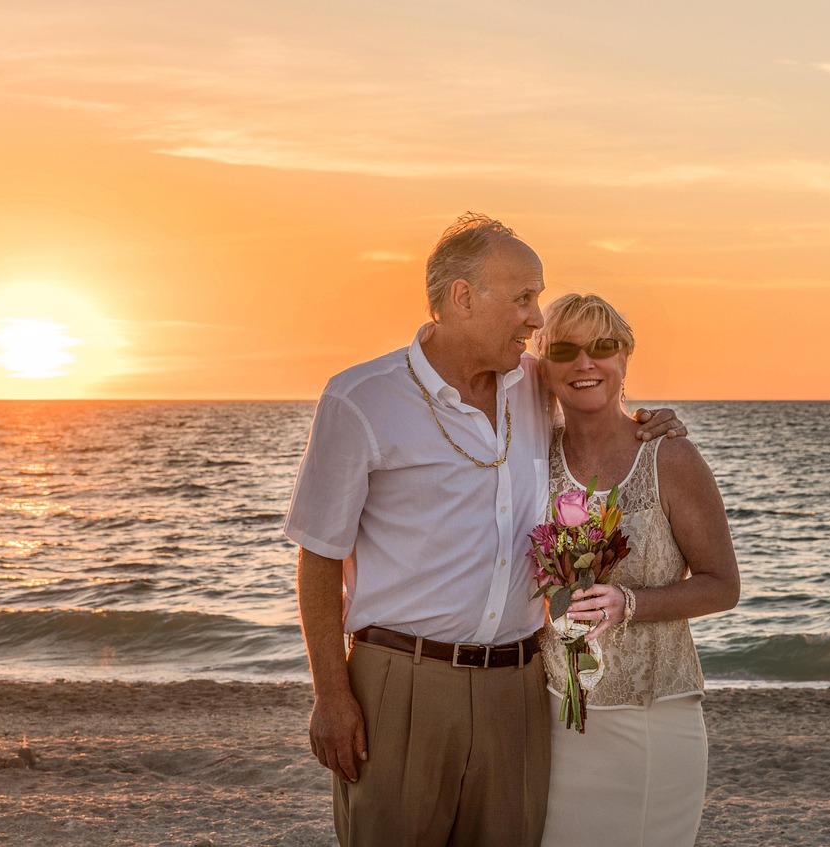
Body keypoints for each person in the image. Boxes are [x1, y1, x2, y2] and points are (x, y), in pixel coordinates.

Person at [283, 214, 687, 847]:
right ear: (462, 298)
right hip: (401, 685)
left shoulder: (532, 385)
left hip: (519, 689)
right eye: (524, 297)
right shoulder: (360, 398)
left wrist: (647, 422)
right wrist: (330, 697)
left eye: (538, 297)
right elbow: (318, 558)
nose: (536, 318)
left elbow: (593, 396)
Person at [534, 293, 740, 847]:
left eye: (603, 347)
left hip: (653, 717)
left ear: (625, 357)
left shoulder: (668, 457)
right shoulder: (531, 460)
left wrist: (632, 604)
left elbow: (723, 585)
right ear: (541, 364)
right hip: (554, 723)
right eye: (565, 349)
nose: (585, 363)